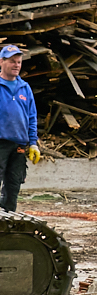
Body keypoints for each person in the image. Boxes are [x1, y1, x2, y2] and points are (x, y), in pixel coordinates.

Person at [0, 45, 40, 212]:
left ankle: (7, 225)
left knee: (14, 184)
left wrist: (33, 143)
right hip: (0, 143)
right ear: (1, 62)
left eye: (18, 62)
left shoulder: (25, 88)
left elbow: (31, 118)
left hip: (19, 146)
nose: (16, 65)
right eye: (12, 61)